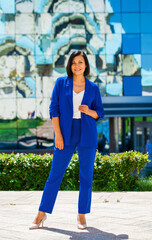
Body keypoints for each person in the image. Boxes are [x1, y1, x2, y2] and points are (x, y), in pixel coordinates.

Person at [29, 50, 104, 230]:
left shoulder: (93, 87)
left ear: (86, 65)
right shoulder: (61, 83)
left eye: (80, 62)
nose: (77, 66)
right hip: (65, 132)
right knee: (55, 174)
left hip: (87, 132)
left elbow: (99, 113)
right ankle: (41, 214)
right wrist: (59, 135)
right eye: (73, 63)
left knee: (86, 177)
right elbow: (54, 109)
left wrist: (88, 111)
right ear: (70, 66)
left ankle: (81, 215)